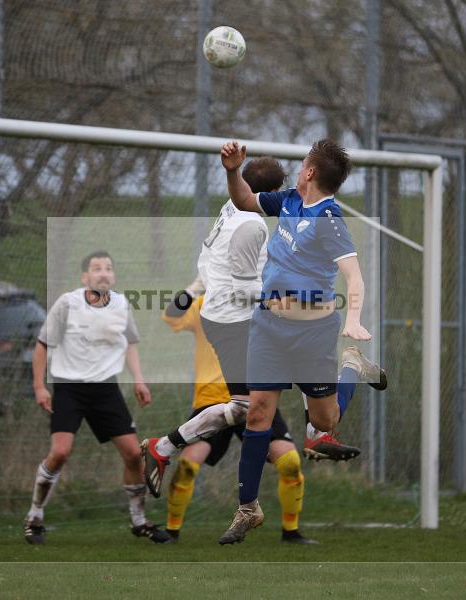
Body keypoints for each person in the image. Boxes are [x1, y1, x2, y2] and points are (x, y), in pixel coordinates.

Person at [142, 158, 385, 497]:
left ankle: (316, 430)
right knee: (247, 401)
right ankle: (163, 447)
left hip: (224, 314)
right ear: (269, 192)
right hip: (233, 319)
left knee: (265, 384)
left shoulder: (232, 208)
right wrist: (286, 298)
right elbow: (246, 289)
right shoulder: (253, 227)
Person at [216, 138, 376, 545]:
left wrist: (353, 319)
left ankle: (351, 366)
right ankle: (248, 509)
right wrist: (233, 172)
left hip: (313, 335)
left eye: (303, 162)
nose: (299, 166)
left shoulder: (330, 219)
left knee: (324, 423)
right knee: (257, 413)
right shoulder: (287, 200)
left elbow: (354, 277)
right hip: (269, 326)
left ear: (310, 172)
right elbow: (244, 200)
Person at [23, 250, 170, 545]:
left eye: (108, 268)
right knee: (60, 452)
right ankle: (34, 517)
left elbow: (129, 343)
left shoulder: (121, 304)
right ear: (85, 277)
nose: (103, 273)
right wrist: (39, 386)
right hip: (69, 388)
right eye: (97, 268)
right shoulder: (68, 303)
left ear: (113, 276)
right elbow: (42, 345)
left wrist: (139, 380)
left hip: (105, 389)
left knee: (133, 454)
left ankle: (139, 521)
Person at [160, 285, 318, 544]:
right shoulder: (204, 304)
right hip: (212, 401)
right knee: (187, 465)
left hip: (257, 398)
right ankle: (171, 531)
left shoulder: (262, 304)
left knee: (290, 462)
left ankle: (291, 532)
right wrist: (193, 288)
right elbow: (171, 316)